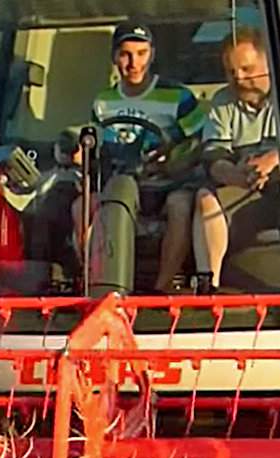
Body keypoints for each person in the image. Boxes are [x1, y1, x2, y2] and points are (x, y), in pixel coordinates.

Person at [70, 22, 206, 293]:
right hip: (120, 182)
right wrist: (79, 154)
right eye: (126, 54)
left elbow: (199, 144)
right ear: (114, 58)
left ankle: (160, 289)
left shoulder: (178, 97)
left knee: (181, 205)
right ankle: (95, 284)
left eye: (141, 53)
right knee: (81, 207)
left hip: (165, 183)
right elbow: (93, 144)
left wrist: (172, 161)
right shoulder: (103, 102)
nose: (134, 63)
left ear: (152, 55)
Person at [192, 27, 280, 291]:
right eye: (231, 72)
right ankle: (209, 289)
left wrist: (272, 159)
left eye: (247, 69)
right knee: (203, 198)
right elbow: (213, 155)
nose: (239, 79)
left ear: (269, 62)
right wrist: (233, 175)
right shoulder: (222, 101)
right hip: (243, 185)